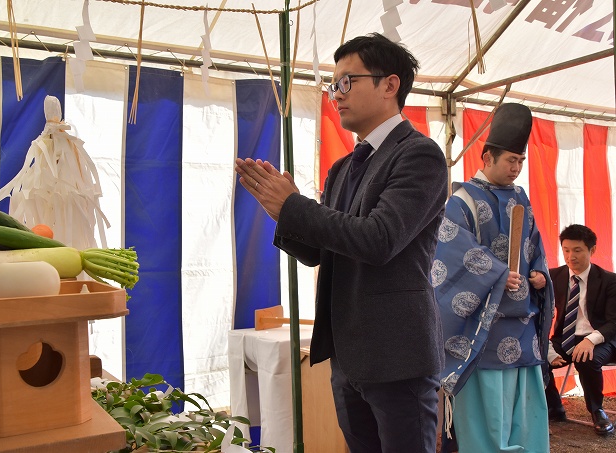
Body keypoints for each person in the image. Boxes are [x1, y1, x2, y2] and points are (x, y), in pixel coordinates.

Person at [234, 33, 448, 453]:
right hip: (347, 355)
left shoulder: (419, 155)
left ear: (390, 85)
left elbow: (378, 239)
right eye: (334, 85)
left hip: (397, 355)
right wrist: (283, 212)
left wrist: (296, 208)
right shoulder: (344, 167)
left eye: (347, 82)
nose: (337, 95)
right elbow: (321, 253)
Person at [432, 103, 554, 452]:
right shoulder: (462, 200)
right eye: (510, 160)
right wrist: (500, 276)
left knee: (525, 413)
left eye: (521, 161)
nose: (516, 168)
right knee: (486, 422)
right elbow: (452, 255)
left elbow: (535, 247)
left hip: (522, 324)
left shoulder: (522, 198)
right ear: (487, 156)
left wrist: (538, 275)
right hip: (482, 331)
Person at [545, 224, 616, 435]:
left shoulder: (610, 280)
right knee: (536, 355)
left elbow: (614, 322)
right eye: (566, 250)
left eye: (577, 250)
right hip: (566, 337)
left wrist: (591, 340)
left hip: (602, 338)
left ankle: (597, 411)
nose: (570, 256)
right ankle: (554, 408)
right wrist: (547, 348)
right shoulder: (552, 277)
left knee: (587, 357)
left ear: (591, 250)